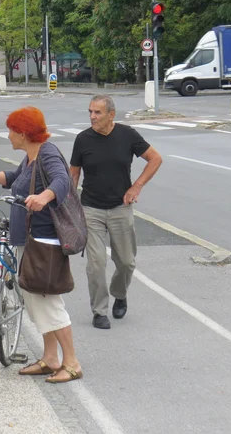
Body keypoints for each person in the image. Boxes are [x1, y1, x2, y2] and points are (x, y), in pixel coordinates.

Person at [0, 106, 83, 384]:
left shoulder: (47, 154)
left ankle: (71, 362)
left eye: (11, 130)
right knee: (36, 299)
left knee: (46, 301)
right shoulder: (31, 156)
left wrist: (45, 197)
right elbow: (16, 180)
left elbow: (63, 181)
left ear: (24, 134)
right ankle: (51, 358)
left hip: (43, 241)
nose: (8, 135)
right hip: (29, 239)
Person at [69, 95, 162, 330]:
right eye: (90, 111)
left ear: (111, 115)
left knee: (126, 262)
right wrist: (69, 204)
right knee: (96, 264)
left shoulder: (127, 135)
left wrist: (136, 186)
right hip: (91, 209)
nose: (92, 116)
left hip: (121, 207)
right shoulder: (82, 139)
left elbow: (155, 159)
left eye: (97, 112)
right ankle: (99, 311)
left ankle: (120, 294)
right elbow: (74, 174)